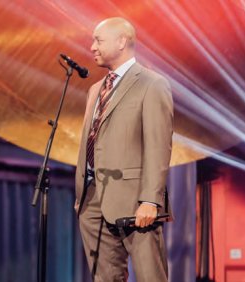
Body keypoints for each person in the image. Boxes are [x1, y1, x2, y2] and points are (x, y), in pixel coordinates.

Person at [75, 17, 173, 281]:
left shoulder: (151, 84)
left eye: (98, 40)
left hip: (134, 200)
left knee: (150, 275)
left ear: (121, 42)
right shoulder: (96, 89)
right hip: (93, 198)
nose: (92, 46)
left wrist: (150, 199)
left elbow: (158, 144)